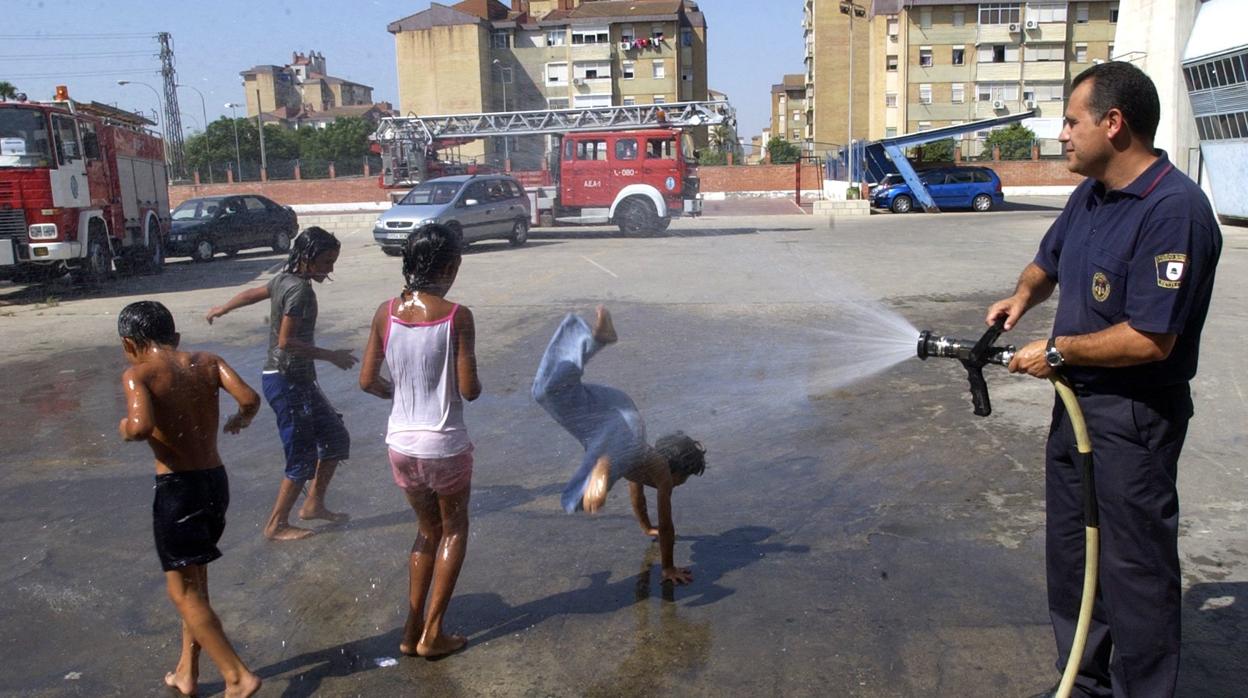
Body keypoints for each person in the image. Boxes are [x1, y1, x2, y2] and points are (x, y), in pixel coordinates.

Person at [986, 62, 1221, 698]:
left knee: (1134, 569)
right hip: (1076, 410)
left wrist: (1058, 350)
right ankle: (1082, 684)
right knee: (1074, 557)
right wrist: (1021, 298)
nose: (1062, 134)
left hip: (1133, 419)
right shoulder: (1091, 194)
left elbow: (1151, 338)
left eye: (1071, 121)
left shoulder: (1173, 211)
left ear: (1113, 124)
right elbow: (1047, 262)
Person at [116, 300, 262, 698]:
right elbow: (249, 399)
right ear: (175, 337)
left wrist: (125, 428)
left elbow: (141, 426)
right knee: (195, 582)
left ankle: (237, 676)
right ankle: (187, 670)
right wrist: (240, 420)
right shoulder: (209, 362)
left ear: (129, 344)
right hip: (214, 482)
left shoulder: (138, 374)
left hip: (178, 489)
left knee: (181, 591)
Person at [359, 224, 481, 658]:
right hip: (443, 445)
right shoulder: (457, 315)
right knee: (454, 530)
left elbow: (367, 380)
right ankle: (432, 634)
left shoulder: (385, 312)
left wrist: (400, 396)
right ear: (448, 267)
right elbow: (468, 389)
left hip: (401, 445)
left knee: (426, 531)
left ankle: (410, 632)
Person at [531, 305, 706, 586]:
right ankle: (603, 462)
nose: (677, 484)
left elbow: (637, 499)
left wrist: (646, 527)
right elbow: (668, 524)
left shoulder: (639, 467)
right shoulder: (662, 473)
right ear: (679, 472)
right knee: (584, 494)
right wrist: (668, 567)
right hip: (623, 433)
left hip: (614, 415)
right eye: (682, 480)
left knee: (549, 391)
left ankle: (594, 339)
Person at [206, 226, 357, 541]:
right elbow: (286, 342)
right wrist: (331, 356)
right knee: (301, 454)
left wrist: (223, 308)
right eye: (326, 262)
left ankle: (313, 504)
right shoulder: (299, 290)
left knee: (335, 437)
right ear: (306, 257)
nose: (330, 269)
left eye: (333, 262)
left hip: (298, 380)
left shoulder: (283, 280)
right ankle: (277, 524)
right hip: (286, 381)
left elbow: (251, 294)